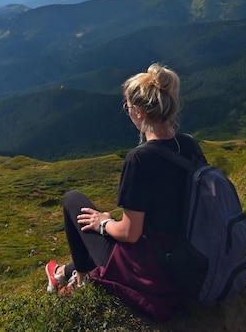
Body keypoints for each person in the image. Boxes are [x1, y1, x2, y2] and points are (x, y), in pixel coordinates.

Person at [45, 63, 207, 320]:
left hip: (150, 267)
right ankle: (65, 273)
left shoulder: (139, 159)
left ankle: (82, 278)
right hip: (188, 252)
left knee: (72, 200)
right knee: (101, 229)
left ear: (139, 113)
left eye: (128, 107)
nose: (128, 111)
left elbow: (130, 234)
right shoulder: (189, 145)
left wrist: (104, 223)